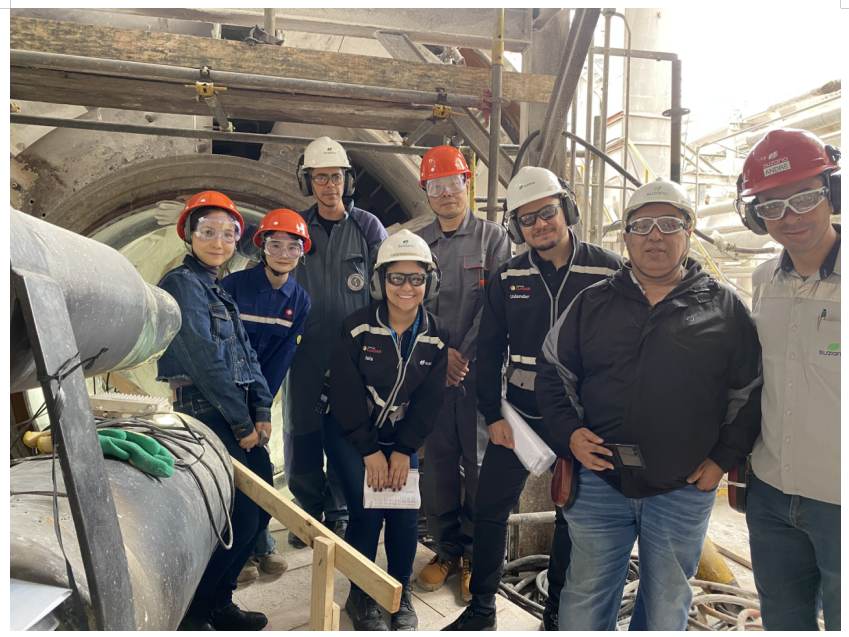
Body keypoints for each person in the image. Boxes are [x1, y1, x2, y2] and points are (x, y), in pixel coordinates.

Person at [534, 177, 763, 631]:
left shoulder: (724, 308)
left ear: (688, 233)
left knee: (666, 601)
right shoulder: (592, 303)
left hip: (682, 486)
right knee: (585, 596)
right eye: (642, 226)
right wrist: (570, 435)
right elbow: (553, 371)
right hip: (600, 480)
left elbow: (750, 390)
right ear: (626, 237)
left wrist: (723, 458)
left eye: (669, 224)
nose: (655, 235)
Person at [444, 166, 622, 631]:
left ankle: (556, 614)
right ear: (516, 227)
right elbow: (488, 350)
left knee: (571, 517)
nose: (539, 224)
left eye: (547, 212)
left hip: (584, 421)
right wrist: (492, 416)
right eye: (527, 219)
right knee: (489, 509)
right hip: (521, 419)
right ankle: (482, 609)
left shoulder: (607, 269)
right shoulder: (508, 276)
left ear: (567, 208)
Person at [236, 137, 388, 547]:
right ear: (308, 182)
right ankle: (307, 511)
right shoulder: (297, 227)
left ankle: (337, 513)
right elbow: (261, 240)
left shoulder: (367, 227)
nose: (328, 185)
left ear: (347, 180)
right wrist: (220, 225)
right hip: (301, 351)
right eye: (320, 177)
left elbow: (389, 278)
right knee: (301, 432)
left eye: (335, 177)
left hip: (352, 355)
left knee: (344, 431)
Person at [736, 129, 841, 631]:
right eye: (772, 206)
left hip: (839, 497)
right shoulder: (763, 282)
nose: (791, 217)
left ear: (832, 193)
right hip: (772, 495)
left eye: (804, 197)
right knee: (783, 622)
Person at [156, 191, 276, 631]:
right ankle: (195, 609)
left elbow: (246, 352)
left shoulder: (217, 288)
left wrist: (262, 407)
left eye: (228, 233)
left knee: (261, 507)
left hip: (235, 404)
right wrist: (242, 423)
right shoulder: (181, 283)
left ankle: (219, 601)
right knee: (240, 513)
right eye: (207, 231)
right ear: (189, 234)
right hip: (206, 408)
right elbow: (203, 359)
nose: (218, 241)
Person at [324, 230, 449, 631]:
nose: (406, 287)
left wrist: (403, 449)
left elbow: (429, 401)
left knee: (404, 513)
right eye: (396, 277)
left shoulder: (436, 335)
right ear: (380, 281)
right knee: (367, 511)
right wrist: (370, 451)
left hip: (398, 435)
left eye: (416, 278)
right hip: (350, 432)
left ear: (430, 282)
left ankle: (399, 592)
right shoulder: (357, 328)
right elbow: (344, 396)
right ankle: (361, 595)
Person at [414, 146, 512, 602]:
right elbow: (409, 304)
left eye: (454, 183)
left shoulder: (494, 239)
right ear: (426, 192)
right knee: (437, 467)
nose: (447, 193)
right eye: (437, 186)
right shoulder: (418, 244)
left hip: (478, 375)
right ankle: (446, 552)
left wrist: (463, 355)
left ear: (467, 185)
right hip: (433, 375)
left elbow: (496, 304)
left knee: (478, 466)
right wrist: (440, 357)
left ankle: (475, 555)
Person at [221, 209, 312, 582]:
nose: (284, 254)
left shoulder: (299, 300)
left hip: (257, 396)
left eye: (293, 247)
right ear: (261, 247)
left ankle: (261, 546)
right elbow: (218, 348)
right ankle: (235, 553)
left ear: (302, 253)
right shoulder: (233, 287)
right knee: (224, 473)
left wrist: (261, 409)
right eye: (276, 245)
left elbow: (281, 358)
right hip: (221, 394)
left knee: (258, 471)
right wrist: (231, 405)